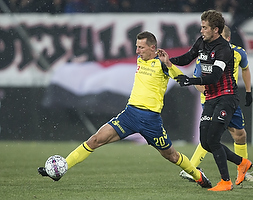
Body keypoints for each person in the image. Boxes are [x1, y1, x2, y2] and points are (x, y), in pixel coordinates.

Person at [37, 31, 212, 188]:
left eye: (141, 47)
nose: (137, 51)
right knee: (96, 139)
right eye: (137, 47)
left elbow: (182, 79)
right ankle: (62, 168)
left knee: (171, 156)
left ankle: (198, 176)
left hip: (151, 120)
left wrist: (169, 64)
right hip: (129, 114)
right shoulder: (139, 61)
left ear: (152, 48)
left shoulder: (163, 65)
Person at [172, 10, 253, 191]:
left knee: (216, 139)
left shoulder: (224, 49)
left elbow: (215, 77)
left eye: (204, 27)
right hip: (210, 98)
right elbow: (187, 58)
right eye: (201, 27)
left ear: (215, 29)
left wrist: (191, 81)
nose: (201, 30)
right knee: (206, 142)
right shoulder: (202, 43)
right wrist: (166, 60)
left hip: (226, 97)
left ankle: (226, 182)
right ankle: (242, 163)